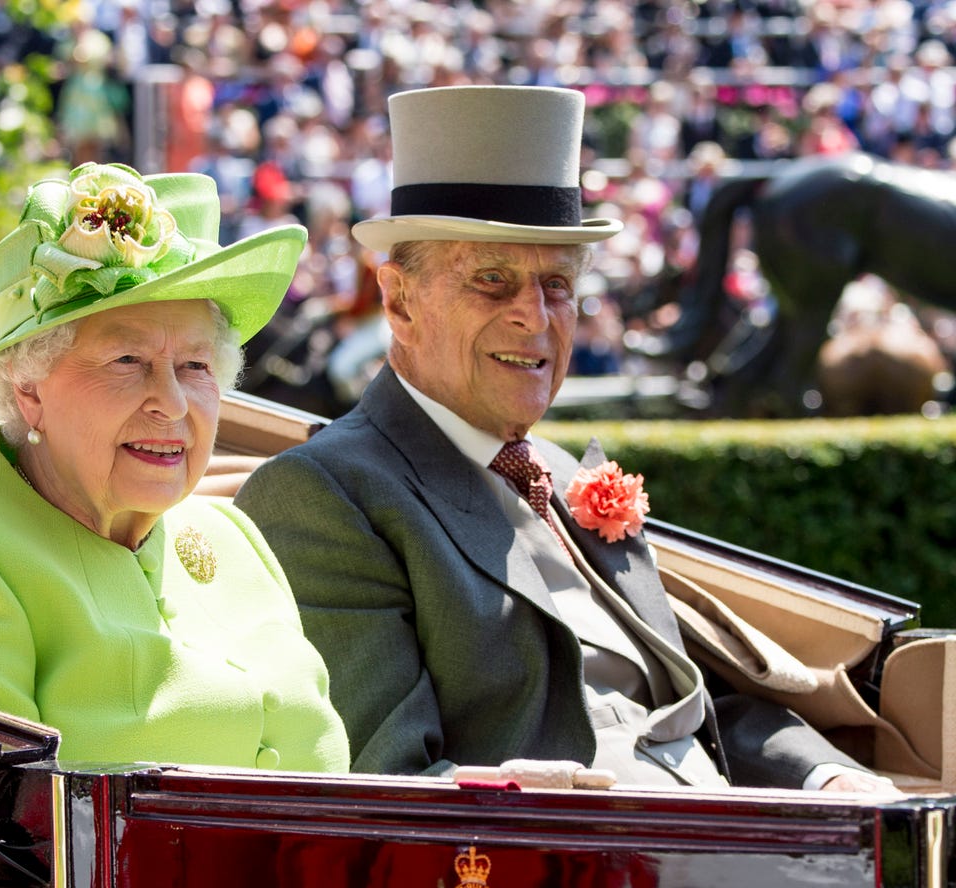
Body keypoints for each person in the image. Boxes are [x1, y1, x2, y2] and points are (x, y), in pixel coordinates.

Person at [235, 85, 891, 793]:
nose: (535, 316)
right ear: (398, 301)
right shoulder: (327, 493)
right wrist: (520, 803)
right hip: (556, 872)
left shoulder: (558, 472)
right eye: (492, 279)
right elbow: (387, 786)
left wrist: (824, 773)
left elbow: (684, 705)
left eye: (556, 283)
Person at [0, 162, 349, 773]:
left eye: (196, 366)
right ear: (29, 385)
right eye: (126, 359)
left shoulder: (233, 537)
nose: (170, 402)